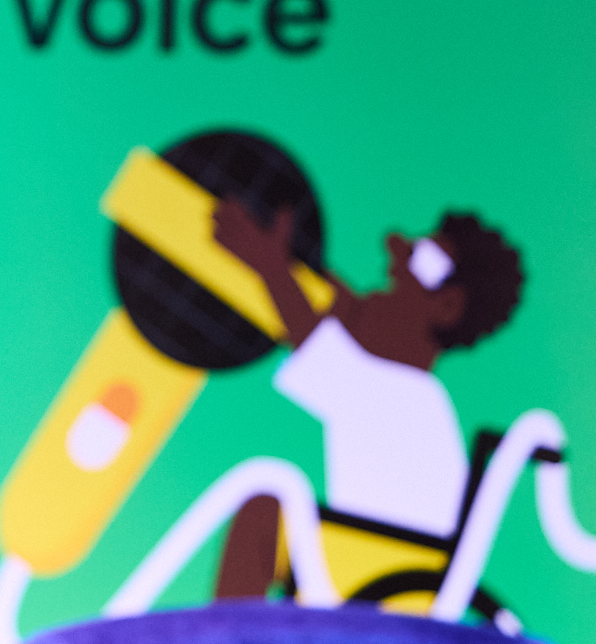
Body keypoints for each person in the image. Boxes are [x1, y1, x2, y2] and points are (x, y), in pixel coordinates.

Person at [208, 200, 524, 602]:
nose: (394, 260)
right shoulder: (412, 396)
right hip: (372, 563)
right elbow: (337, 326)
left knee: (262, 513)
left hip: (378, 577)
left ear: (447, 307)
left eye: (425, 259)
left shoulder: (405, 397)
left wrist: (270, 265)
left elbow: (313, 342)